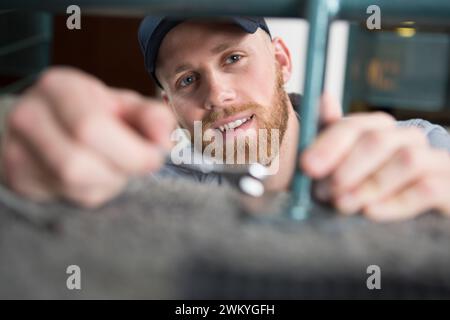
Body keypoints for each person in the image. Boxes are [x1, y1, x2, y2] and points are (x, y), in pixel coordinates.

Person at [1, 17, 449, 222]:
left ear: (281, 61)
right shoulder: (149, 184)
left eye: (233, 58)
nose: (217, 95)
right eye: (187, 80)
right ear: (168, 106)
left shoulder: (417, 151)